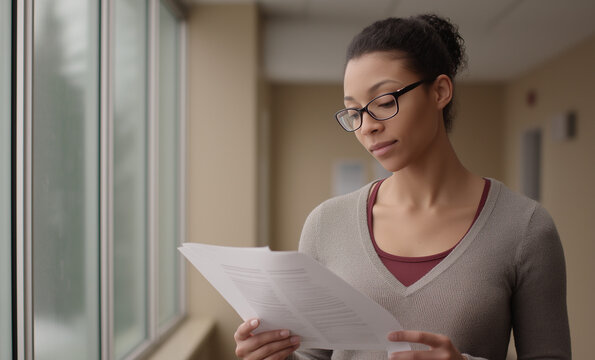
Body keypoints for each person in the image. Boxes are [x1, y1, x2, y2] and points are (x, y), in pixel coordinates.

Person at [234, 14, 570, 360]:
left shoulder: (525, 228)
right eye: (354, 113)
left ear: (440, 91)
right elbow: (313, 356)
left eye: (383, 102)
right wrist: (274, 355)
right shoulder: (325, 225)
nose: (367, 127)